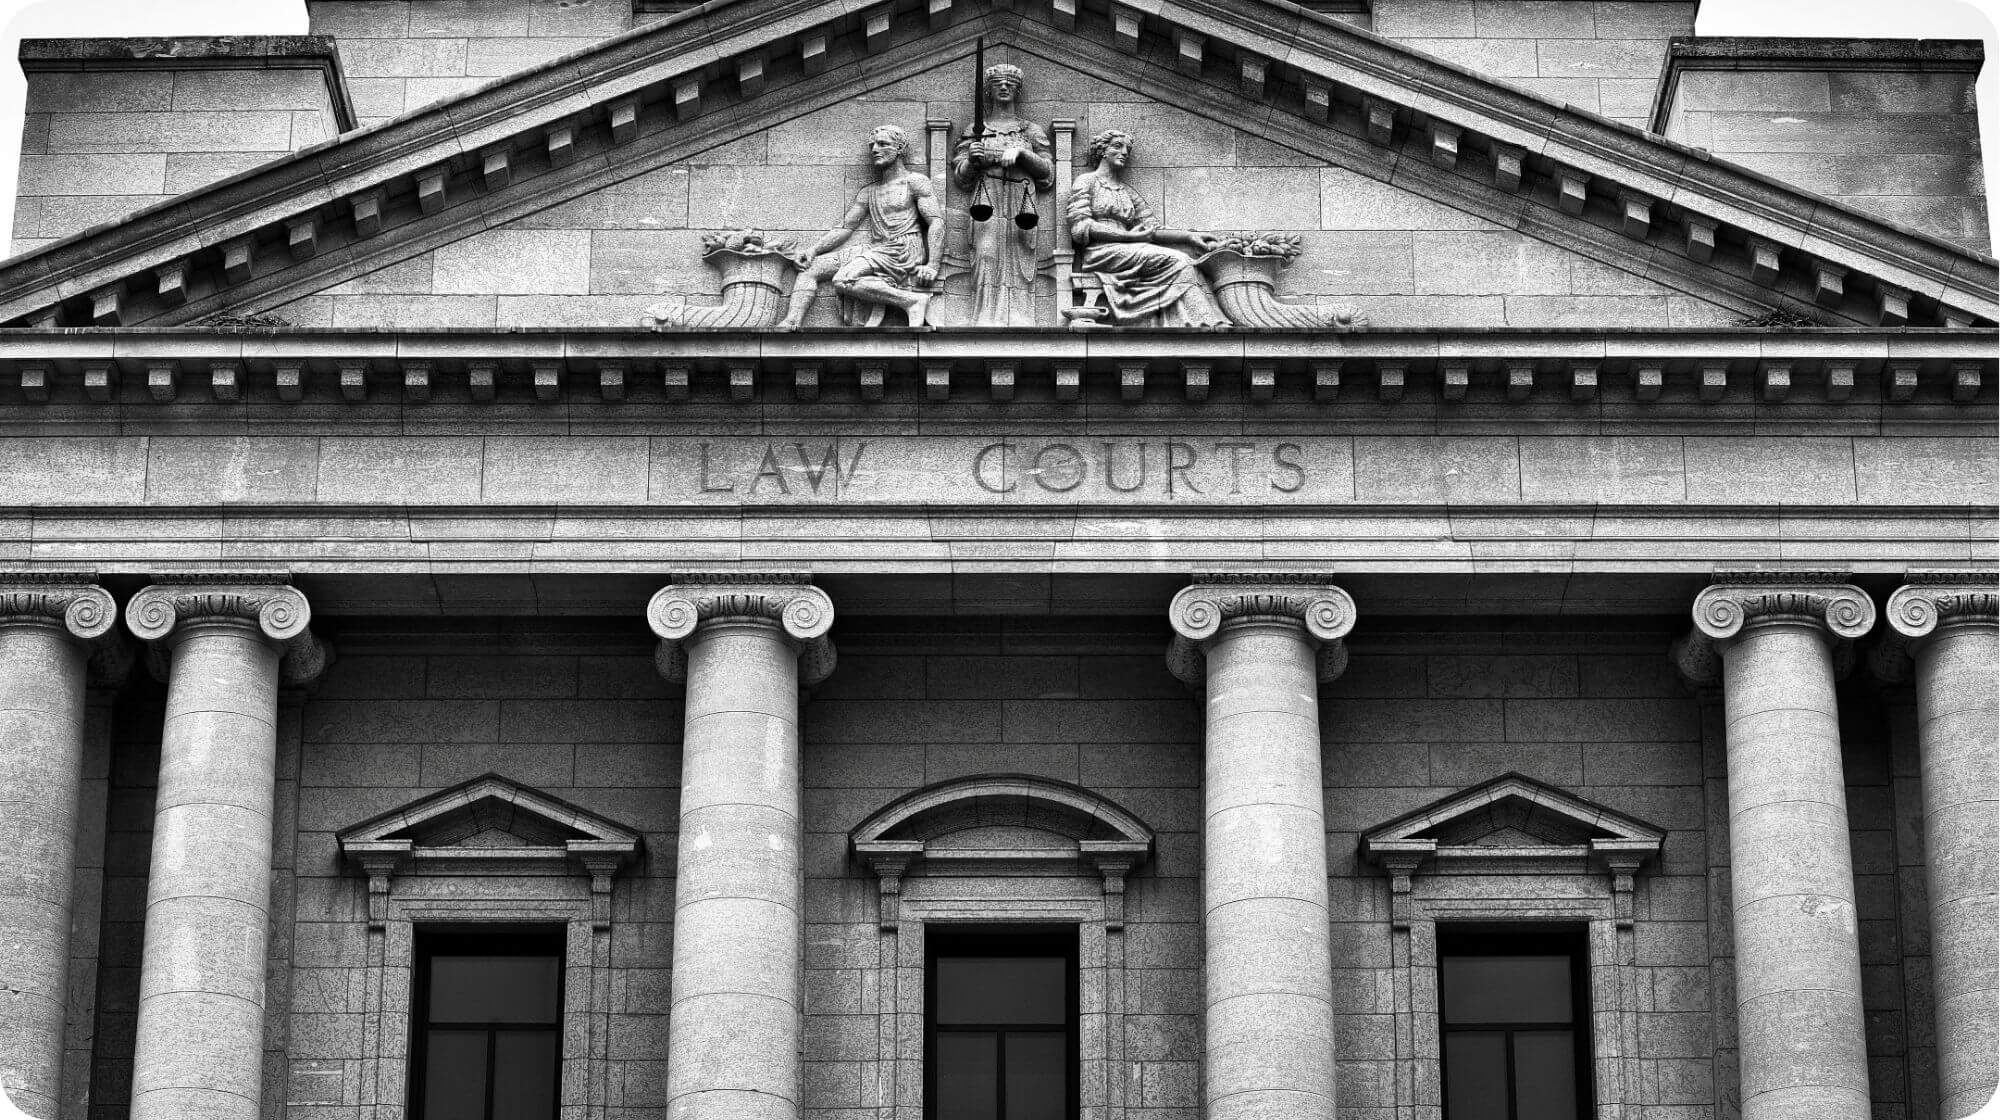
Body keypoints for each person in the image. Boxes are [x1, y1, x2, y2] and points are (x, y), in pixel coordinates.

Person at [780, 125, 943, 329]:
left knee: (844, 279)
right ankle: (791, 321)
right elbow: (845, 228)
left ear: (900, 148)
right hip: (877, 249)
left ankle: (911, 301)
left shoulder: (915, 182)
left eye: (883, 144)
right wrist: (813, 250)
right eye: (872, 145)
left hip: (903, 249)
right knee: (811, 268)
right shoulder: (869, 191)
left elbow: (936, 221)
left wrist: (932, 265)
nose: (875, 149)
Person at [1066, 128, 1231, 328]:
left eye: (1127, 148)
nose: (1124, 152)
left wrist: (1188, 237)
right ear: (1102, 151)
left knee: (1187, 261)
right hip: (1101, 252)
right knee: (1178, 260)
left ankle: (1197, 319)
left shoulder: (1127, 192)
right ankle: (1200, 321)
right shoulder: (1087, 181)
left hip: (1130, 249)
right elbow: (1080, 226)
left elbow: (1152, 228)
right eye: (1117, 146)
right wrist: (1127, 237)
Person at [951, 63, 1054, 326]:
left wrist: (1022, 154)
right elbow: (961, 178)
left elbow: (1047, 174)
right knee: (986, 254)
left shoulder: (1030, 131)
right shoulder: (976, 130)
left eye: (1010, 83)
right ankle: (985, 316)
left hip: (1022, 201)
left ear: (1018, 90)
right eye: (998, 83)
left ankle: (1019, 315)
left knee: (1020, 253)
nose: (1005, 87)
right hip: (987, 199)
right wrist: (973, 160)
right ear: (989, 91)